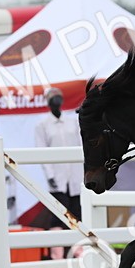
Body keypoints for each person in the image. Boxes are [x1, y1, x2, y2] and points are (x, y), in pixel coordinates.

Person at [32, 86, 83, 222]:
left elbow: (81, 145)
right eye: (53, 98)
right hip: (57, 174)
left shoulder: (73, 122)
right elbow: (41, 151)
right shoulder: (42, 125)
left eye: (58, 97)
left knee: (78, 210)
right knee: (60, 212)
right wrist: (50, 175)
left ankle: (78, 243)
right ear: (48, 102)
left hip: (76, 173)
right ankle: (61, 242)